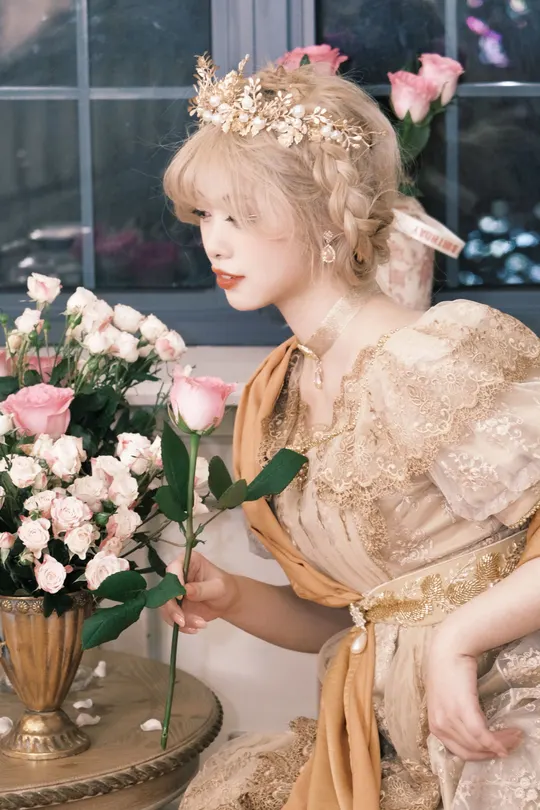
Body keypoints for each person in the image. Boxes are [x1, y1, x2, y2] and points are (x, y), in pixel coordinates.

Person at [160, 54, 540, 810]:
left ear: (327, 219)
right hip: (388, 731)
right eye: (206, 215)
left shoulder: (433, 357)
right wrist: (232, 596)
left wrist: (460, 639)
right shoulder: (282, 393)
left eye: (243, 214)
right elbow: (365, 617)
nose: (216, 243)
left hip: (507, 707)